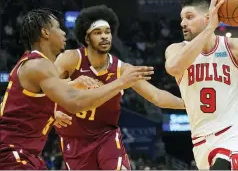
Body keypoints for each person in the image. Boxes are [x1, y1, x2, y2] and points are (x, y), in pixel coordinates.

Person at [0, 9, 154, 170]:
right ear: (45, 33)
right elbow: (75, 103)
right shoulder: (39, 65)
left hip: (23, 154)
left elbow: (21, 103)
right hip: (12, 154)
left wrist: (51, 112)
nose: (64, 33)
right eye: (58, 28)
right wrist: (121, 82)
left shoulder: (33, 63)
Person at [54, 5, 185, 170]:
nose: (104, 37)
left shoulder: (121, 69)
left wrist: (188, 103)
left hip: (106, 136)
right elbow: (47, 86)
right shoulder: (71, 59)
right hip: (75, 140)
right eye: (98, 32)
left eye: (107, 32)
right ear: (87, 38)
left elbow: (157, 96)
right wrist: (54, 108)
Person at [165, 0, 238, 170]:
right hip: (201, 142)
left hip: (236, 134)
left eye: (189, 17)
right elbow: (175, 68)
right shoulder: (175, 50)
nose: (182, 23)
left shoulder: (234, 47)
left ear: (208, 18)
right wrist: (210, 28)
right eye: (182, 18)